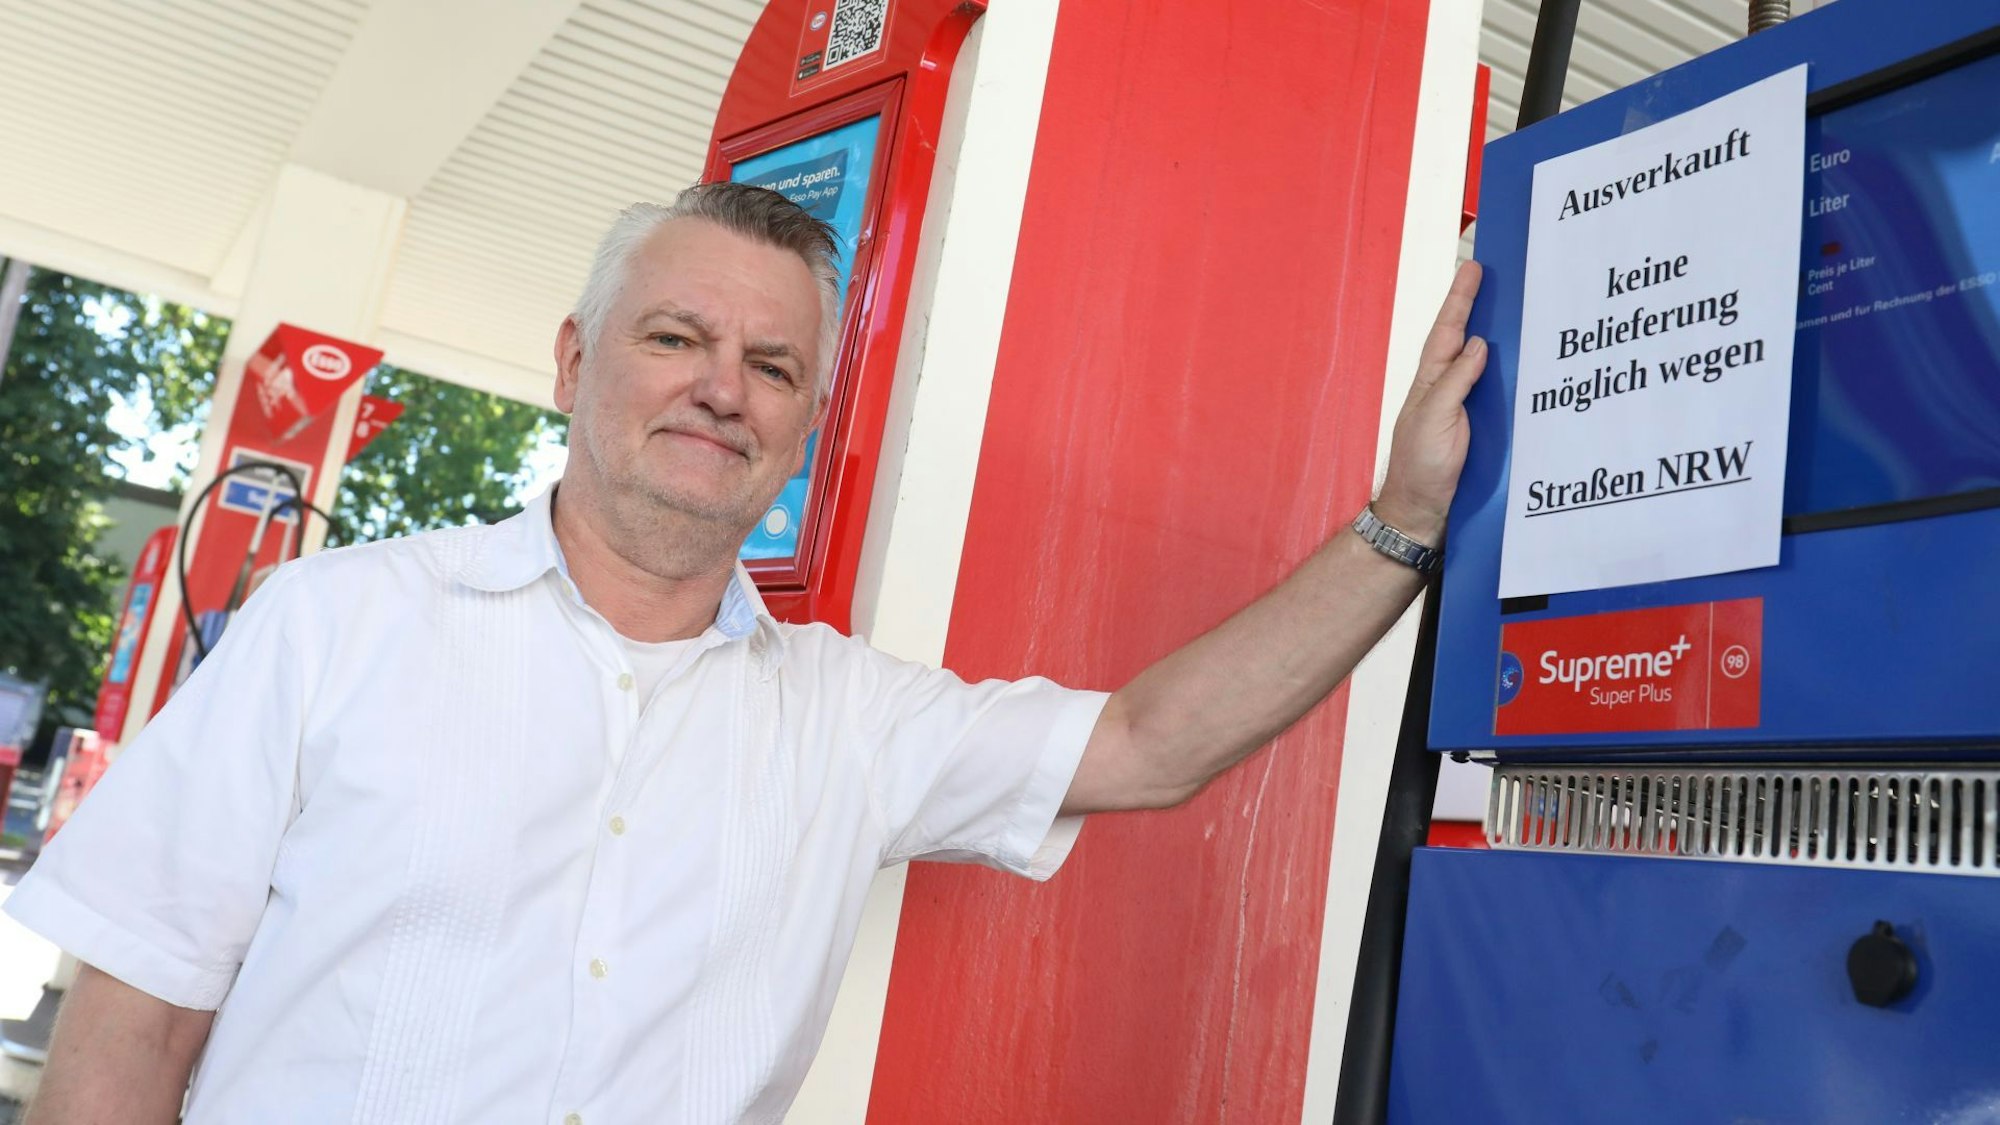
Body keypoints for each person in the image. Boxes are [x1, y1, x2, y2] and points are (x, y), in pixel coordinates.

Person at [4, 183, 1485, 1124]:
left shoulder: (850, 718)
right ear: (577, 363)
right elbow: (127, 1031)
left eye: (772, 366)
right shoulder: (331, 627)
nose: (723, 388)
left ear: (801, 426)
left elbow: (1153, 742)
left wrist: (1404, 519)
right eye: (676, 339)